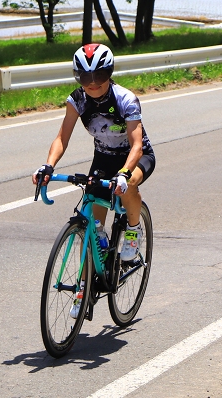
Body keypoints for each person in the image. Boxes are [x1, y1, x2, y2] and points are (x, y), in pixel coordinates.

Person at [32, 43, 155, 263]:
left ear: (109, 72)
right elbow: (62, 138)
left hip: (135, 157)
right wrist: (48, 166)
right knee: (91, 232)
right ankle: (85, 291)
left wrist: (125, 173)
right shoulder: (77, 100)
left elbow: (136, 145)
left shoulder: (125, 99)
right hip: (104, 158)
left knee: (127, 187)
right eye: (84, 77)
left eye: (99, 75)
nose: (92, 83)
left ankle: (134, 231)